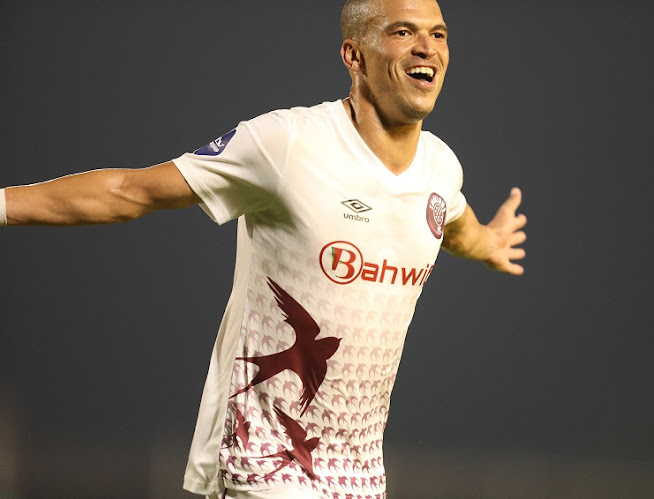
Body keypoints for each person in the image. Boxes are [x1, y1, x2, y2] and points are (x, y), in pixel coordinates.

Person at [0, 0, 527, 497]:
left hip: (359, 474)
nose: (426, 47)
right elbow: (131, 192)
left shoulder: (441, 168)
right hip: (261, 459)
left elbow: (452, 222)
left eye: (438, 34)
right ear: (354, 55)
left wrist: (487, 244)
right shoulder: (288, 143)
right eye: (403, 32)